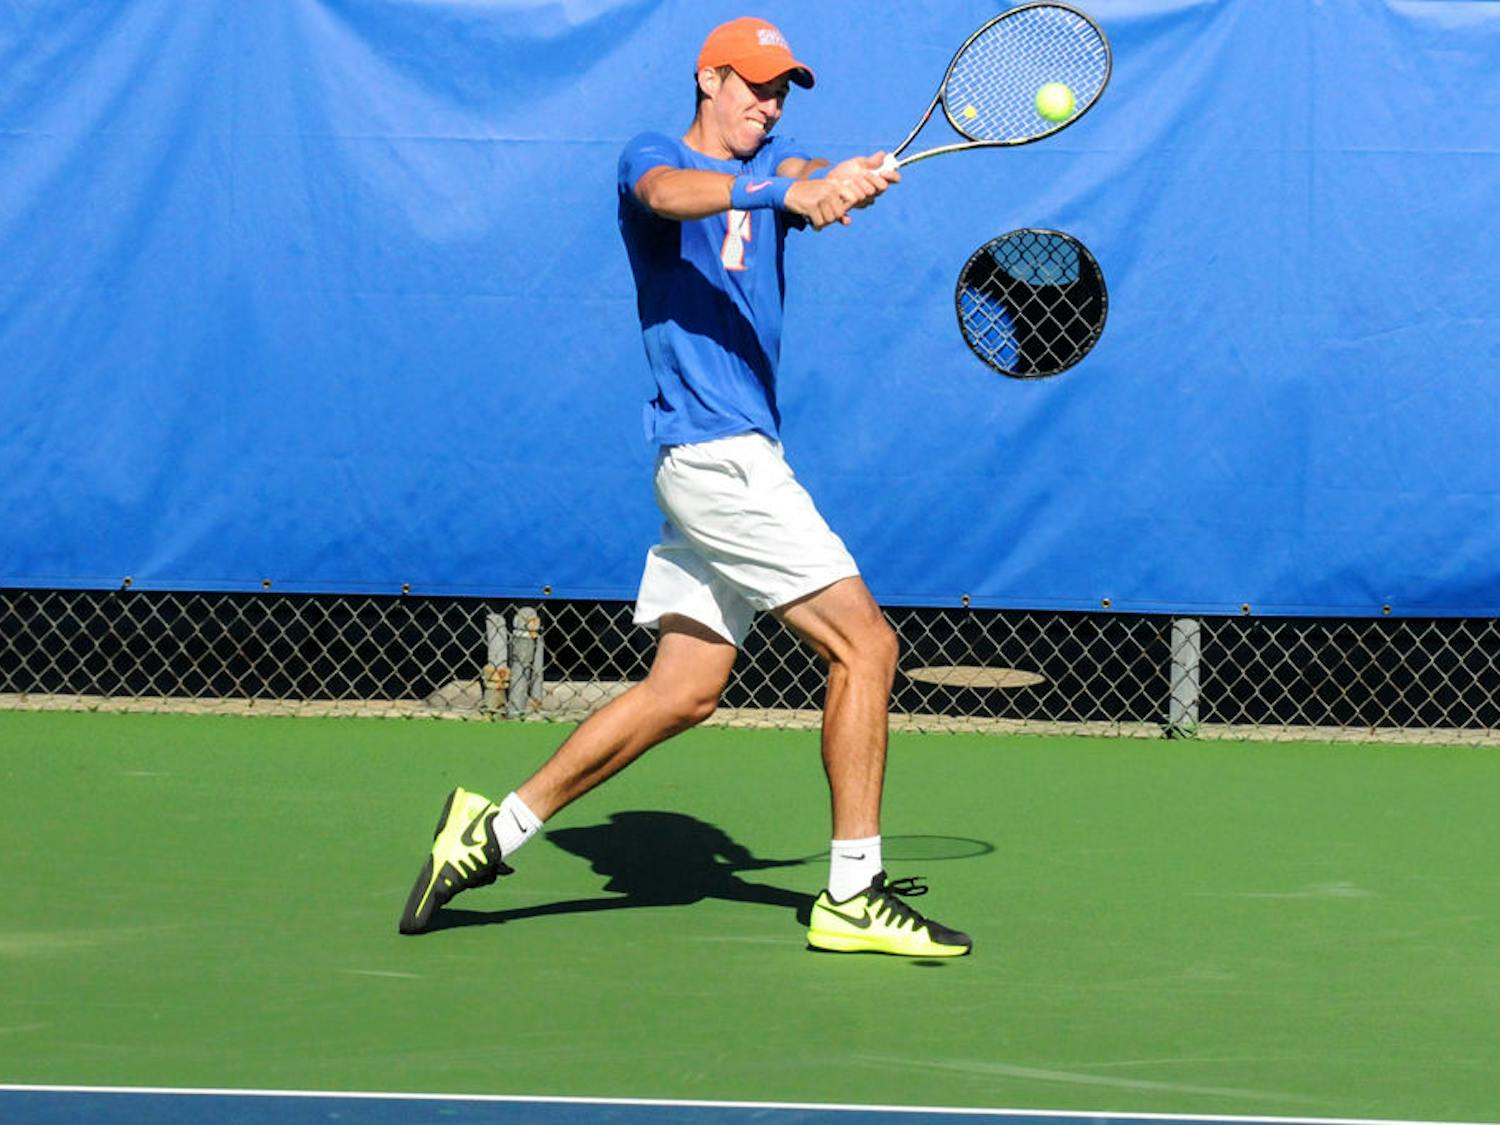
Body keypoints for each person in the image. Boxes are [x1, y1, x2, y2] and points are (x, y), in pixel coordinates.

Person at [399, 17, 971, 957]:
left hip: (712, 459)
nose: (770, 103)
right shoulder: (654, 156)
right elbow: (670, 195)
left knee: (685, 690)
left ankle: (489, 831)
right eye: (754, 85)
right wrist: (784, 186)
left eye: (782, 89)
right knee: (867, 646)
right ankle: (853, 893)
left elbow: (801, 174)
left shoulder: (777, 161)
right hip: (720, 456)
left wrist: (838, 177)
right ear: (709, 79)